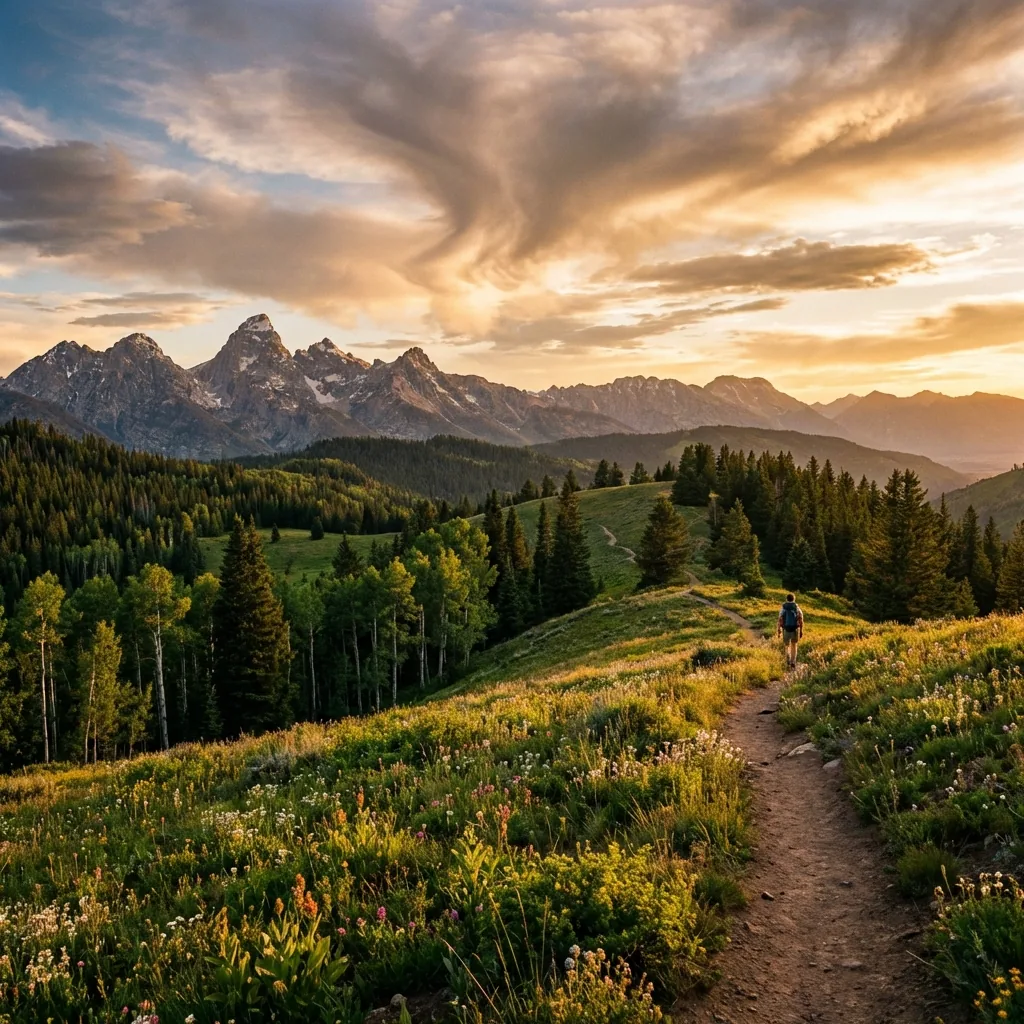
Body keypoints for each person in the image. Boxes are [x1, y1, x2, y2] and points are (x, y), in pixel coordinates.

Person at [777, 593, 803, 670]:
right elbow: (801, 619)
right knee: (794, 645)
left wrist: (779, 630)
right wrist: (801, 631)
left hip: (786, 629)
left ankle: (787, 660)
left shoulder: (783, 608)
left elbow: (779, 619)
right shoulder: (797, 608)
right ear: (794, 599)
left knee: (786, 645)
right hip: (795, 629)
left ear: (787, 599)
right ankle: (793, 662)